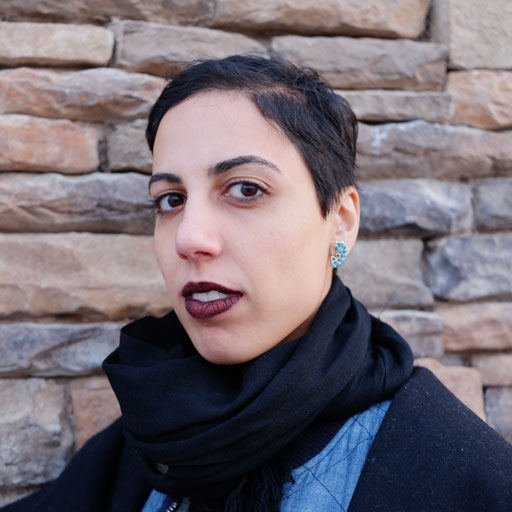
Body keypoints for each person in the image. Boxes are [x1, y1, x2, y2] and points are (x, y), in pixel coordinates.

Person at [3, 55, 512, 512]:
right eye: (171, 200)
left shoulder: (462, 475)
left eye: (245, 189)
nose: (189, 239)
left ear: (340, 221)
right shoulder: (141, 444)